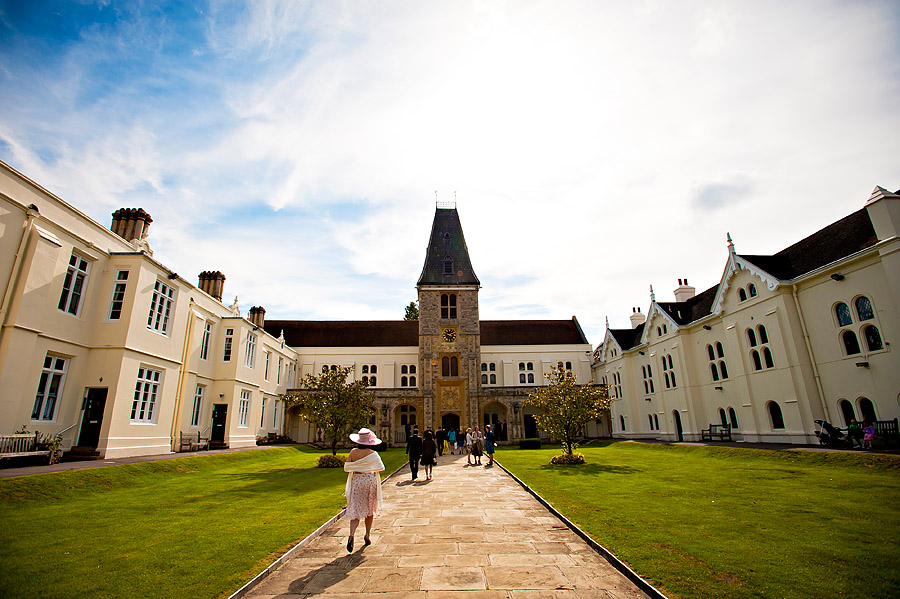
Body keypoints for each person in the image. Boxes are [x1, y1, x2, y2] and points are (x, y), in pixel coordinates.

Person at [343, 428, 385, 552]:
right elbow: (381, 468)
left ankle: (351, 535)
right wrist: (369, 466)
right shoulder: (372, 454)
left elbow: (347, 467)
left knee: (355, 508)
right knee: (370, 509)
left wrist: (359, 466)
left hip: (356, 481)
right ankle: (367, 535)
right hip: (369, 481)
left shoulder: (353, 452)